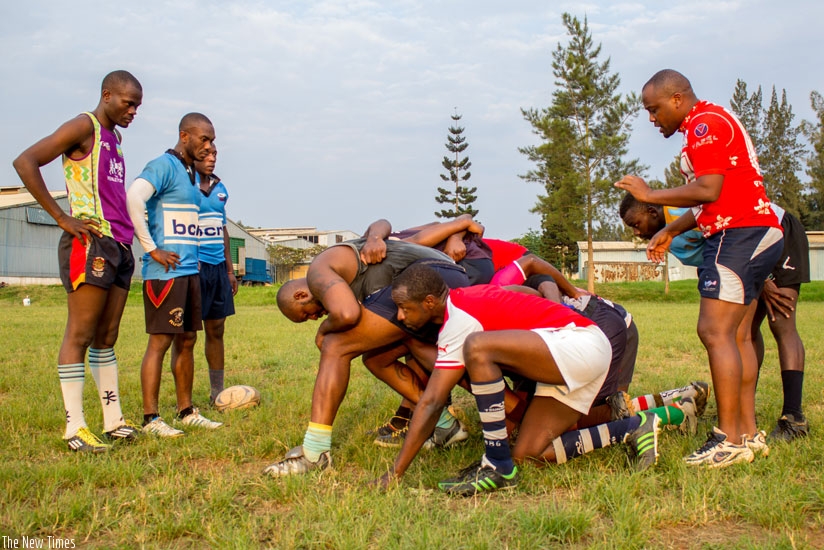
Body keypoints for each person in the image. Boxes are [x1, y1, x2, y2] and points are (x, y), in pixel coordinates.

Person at [614, 69, 784, 468]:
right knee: (739, 335)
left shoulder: (704, 124)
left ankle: (727, 437)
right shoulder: (706, 123)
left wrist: (650, 194)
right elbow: (706, 200)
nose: (652, 119)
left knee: (713, 330)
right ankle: (747, 433)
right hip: (753, 229)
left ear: (677, 99)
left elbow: (710, 189)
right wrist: (671, 229)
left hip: (737, 233)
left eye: (654, 110)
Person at [375, 264, 661, 496]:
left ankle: (497, 463)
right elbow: (521, 293)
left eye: (405, 308)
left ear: (429, 302)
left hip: (579, 343)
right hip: (568, 351)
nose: (400, 316)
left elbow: (432, 401)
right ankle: (634, 427)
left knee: (476, 346)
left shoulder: (459, 319)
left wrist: (394, 473)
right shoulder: (466, 298)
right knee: (529, 453)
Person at [264, 224, 470, 476]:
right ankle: (445, 425)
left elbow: (347, 314)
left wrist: (323, 332)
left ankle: (315, 453)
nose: (315, 317)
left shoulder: (317, 271)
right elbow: (380, 224)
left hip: (430, 277)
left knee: (335, 346)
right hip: (447, 281)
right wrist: (374, 236)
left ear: (299, 295)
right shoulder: (346, 262)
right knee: (376, 359)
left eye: (306, 315)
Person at [13, 70, 143, 452]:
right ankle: (74, 427)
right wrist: (61, 217)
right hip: (90, 243)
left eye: (138, 105)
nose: (133, 111)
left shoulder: (114, 139)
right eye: (128, 102)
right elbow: (25, 162)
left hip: (119, 246)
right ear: (107, 95)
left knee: (107, 337)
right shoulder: (82, 126)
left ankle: (113, 419)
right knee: (81, 334)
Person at [620, 194, 810, 441]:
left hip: (775, 230)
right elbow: (715, 255)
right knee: (744, 331)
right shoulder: (669, 236)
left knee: (782, 321)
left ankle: (794, 418)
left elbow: (735, 235)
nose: (636, 232)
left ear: (653, 213)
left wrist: (765, 279)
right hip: (748, 254)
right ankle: (740, 411)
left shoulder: (681, 211)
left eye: (636, 224)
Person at [126, 113, 222, 437]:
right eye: (203, 139)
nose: (208, 145)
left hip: (190, 270)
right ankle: (151, 419)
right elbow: (134, 197)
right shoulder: (164, 165)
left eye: (212, 141)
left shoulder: (190, 174)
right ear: (185, 136)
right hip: (165, 273)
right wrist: (151, 248)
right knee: (160, 342)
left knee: (188, 340)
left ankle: (186, 411)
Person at [193, 145, 238, 404]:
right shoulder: (184, 186)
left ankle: (216, 392)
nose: (211, 160)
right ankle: (184, 399)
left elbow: (223, 230)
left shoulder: (221, 189)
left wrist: (230, 270)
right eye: (206, 155)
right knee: (187, 333)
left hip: (217, 269)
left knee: (216, 329)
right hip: (193, 267)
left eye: (214, 156)